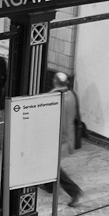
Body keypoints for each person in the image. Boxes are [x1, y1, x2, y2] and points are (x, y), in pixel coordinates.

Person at [41, 72, 84, 207]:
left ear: (54, 82)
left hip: (55, 137)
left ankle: (74, 191)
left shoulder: (52, 98)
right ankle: (49, 185)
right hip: (68, 136)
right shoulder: (72, 95)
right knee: (49, 162)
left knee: (52, 164)